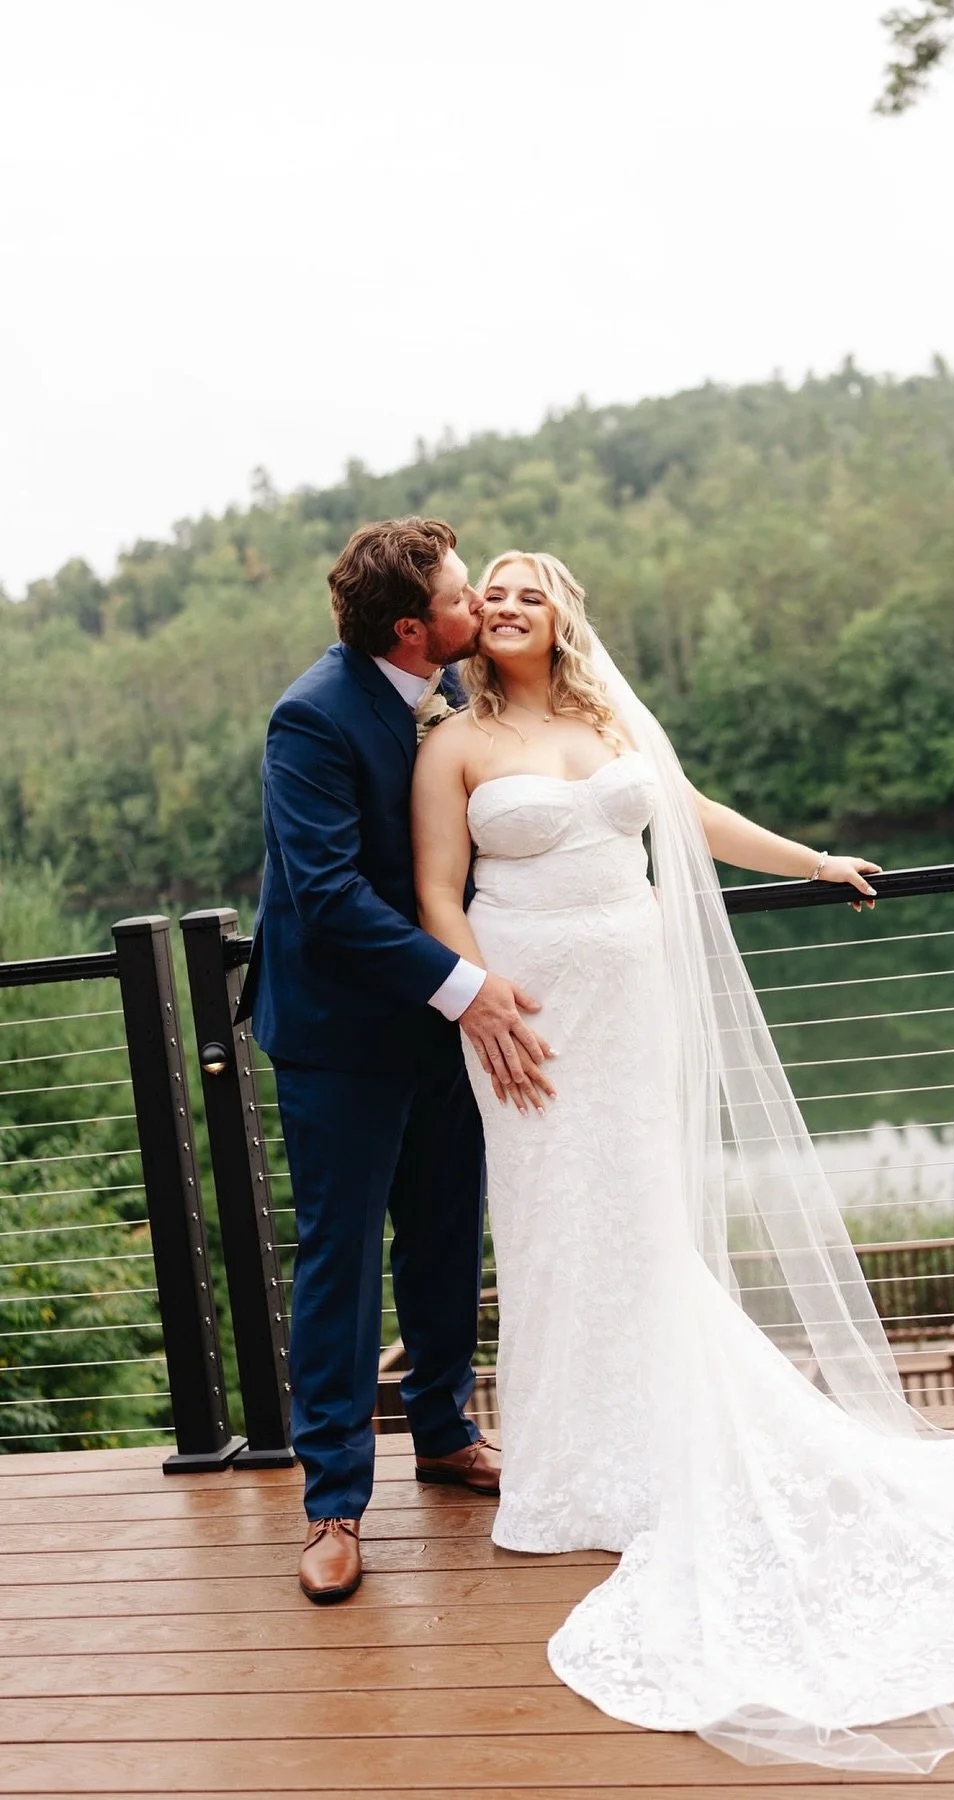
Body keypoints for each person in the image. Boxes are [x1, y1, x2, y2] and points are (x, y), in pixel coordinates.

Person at [410, 548, 954, 1774]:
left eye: (525, 590)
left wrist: (811, 861)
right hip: (530, 1019)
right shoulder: (453, 746)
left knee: (644, 1226)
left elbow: (687, 820)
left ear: (561, 614)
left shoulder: (607, 717)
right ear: (472, 629)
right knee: (551, 1231)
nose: (503, 605)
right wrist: (480, 1001)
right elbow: (439, 891)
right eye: (488, 595)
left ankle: (663, 1446)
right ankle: (571, 1473)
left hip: (634, 1005)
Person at [242, 518, 548, 1604]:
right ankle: (333, 1503)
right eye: (466, 599)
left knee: (443, 1238)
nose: (481, 612)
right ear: (416, 628)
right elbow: (326, 899)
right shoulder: (310, 718)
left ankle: (446, 1432)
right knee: (339, 1264)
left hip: (438, 1028)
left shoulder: (451, 699)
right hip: (338, 1040)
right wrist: (469, 990)